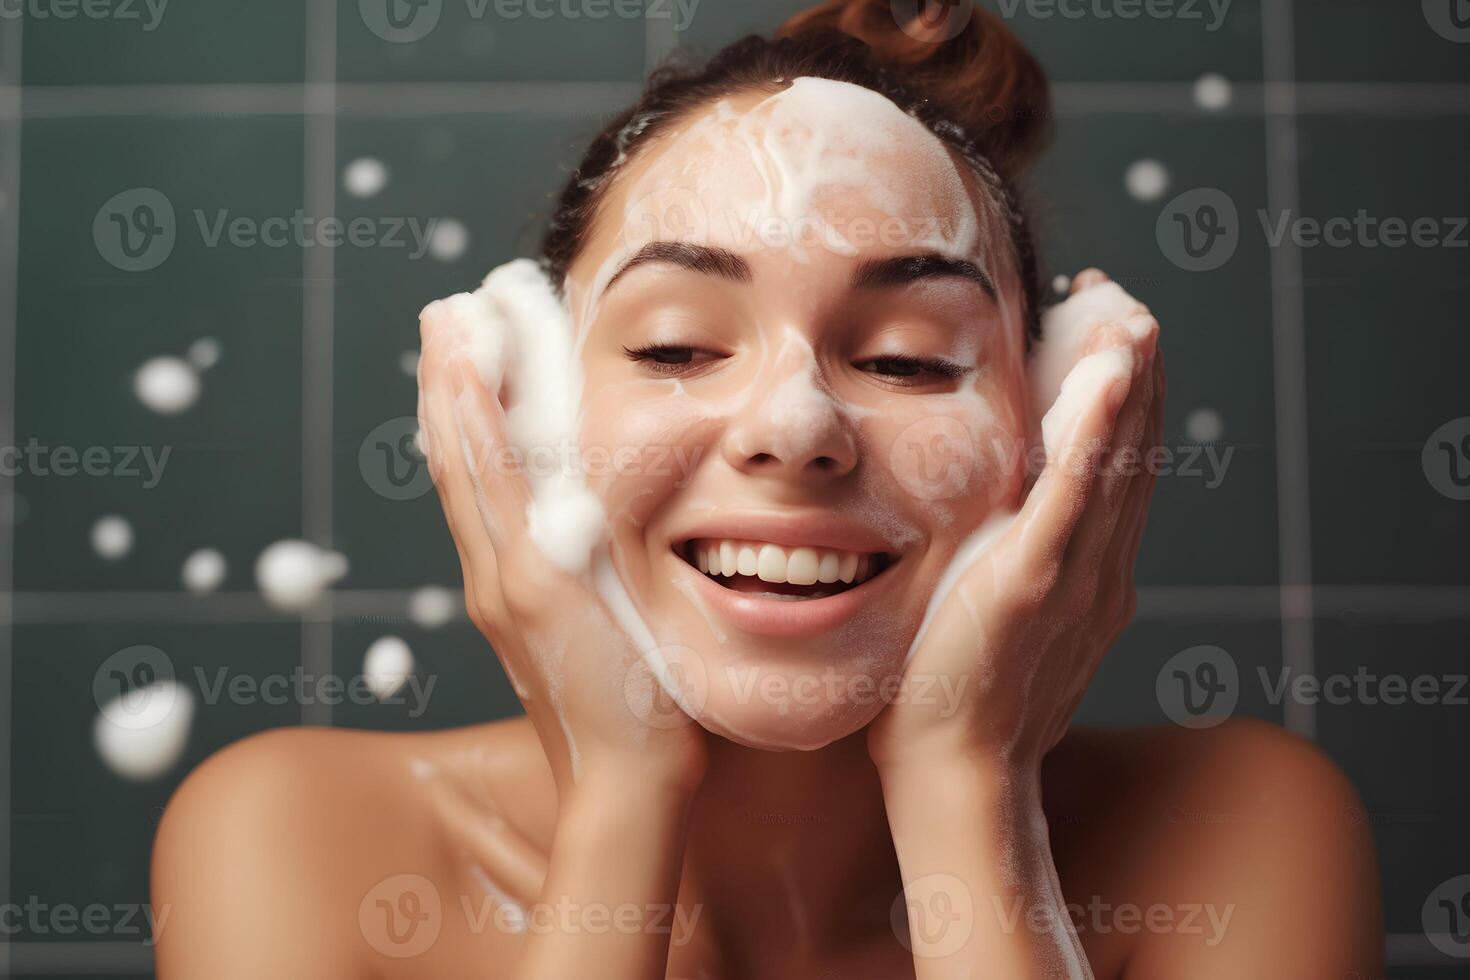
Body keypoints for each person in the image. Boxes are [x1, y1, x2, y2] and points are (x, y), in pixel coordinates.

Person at [153, 2, 1382, 977]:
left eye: (906, 356)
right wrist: (622, 795)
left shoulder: (1240, 836)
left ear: (1054, 422)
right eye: (676, 346)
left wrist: (970, 790)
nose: (796, 427)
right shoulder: (291, 842)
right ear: (529, 408)